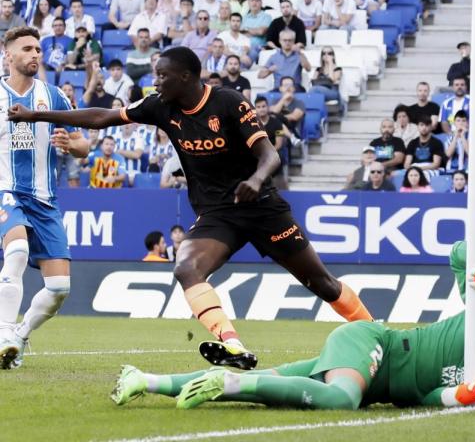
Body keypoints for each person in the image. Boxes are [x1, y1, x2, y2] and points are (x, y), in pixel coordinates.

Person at [9, 47, 374, 371]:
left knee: (321, 283)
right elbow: (102, 117)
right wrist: (36, 116)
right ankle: (232, 344)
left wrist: (256, 180)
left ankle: (377, 337)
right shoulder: (160, 106)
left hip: (262, 207)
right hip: (217, 214)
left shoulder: (229, 102)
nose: (155, 82)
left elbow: (269, 155)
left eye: (162, 75)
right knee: (186, 267)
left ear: (186, 76)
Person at [111, 242, 475, 411]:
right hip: (375, 345)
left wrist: (467, 395)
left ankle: (143, 380)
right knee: (340, 400)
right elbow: (459, 254)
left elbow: (427, 397)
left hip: (373, 377)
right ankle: (230, 380)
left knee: (272, 384)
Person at [0, 27, 90, 369]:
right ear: (8, 55)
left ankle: (19, 337)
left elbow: (83, 145)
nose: (35, 54)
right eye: (27, 49)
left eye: (38, 49)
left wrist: (71, 144)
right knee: (17, 251)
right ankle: (3, 332)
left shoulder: (54, 97)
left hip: (44, 200)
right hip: (5, 190)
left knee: (59, 288)